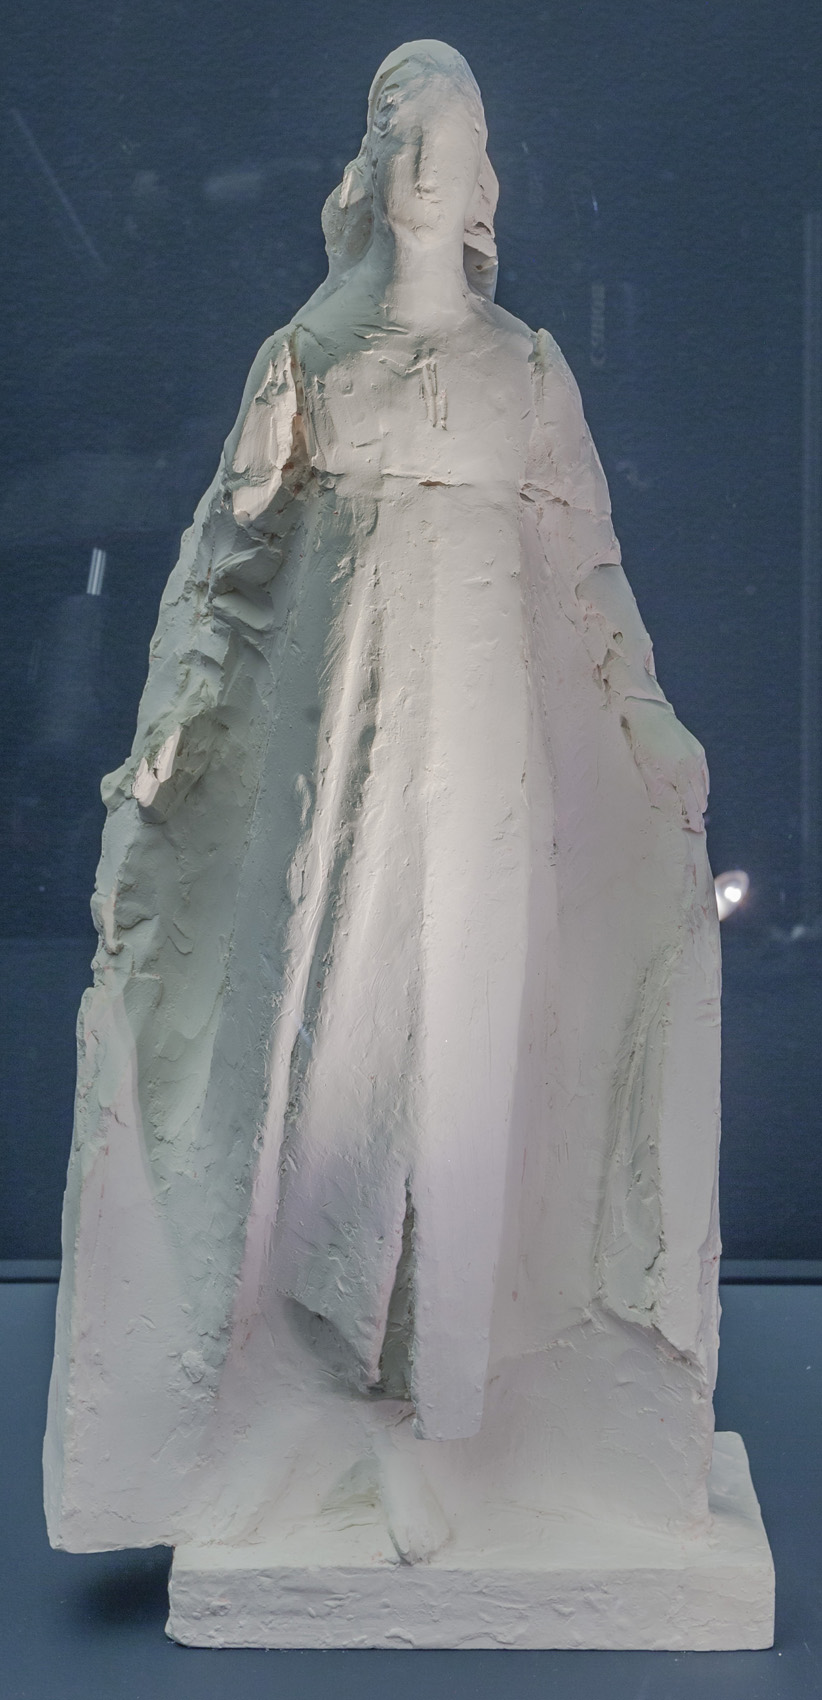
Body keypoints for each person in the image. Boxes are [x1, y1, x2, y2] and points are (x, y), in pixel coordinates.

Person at [46, 41, 720, 1559]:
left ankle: (443, 1417)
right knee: (335, 1070)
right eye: (401, 127)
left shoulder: (524, 371)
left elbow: (591, 576)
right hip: (338, 786)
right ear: (369, 165)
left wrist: (651, 722)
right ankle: (306, 1408)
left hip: (484, 783)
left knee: (467, 1072)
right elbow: (221, 577)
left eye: (452, 132)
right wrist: (169, 735)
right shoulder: (305, 357)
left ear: (483, 178)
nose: (425, 154)